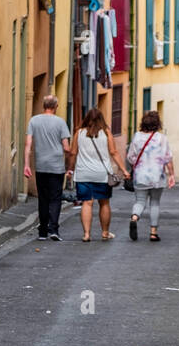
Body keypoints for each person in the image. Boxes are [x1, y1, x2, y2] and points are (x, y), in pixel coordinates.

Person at [68, 107, 129, 241]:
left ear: (87, 119)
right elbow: (114, 152)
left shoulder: (79, 133)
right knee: (104, 203)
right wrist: (124, 170)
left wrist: (70, 169)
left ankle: (86, 234)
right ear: (101, 119)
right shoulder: (106, 133)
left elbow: (73, 153)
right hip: (102, 174)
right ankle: (105, 232)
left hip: (83, 174)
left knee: (86, 203)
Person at [24, 95, 72, 241]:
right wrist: (69, 161)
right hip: (56, 166)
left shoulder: (34, 120)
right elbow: (66, 147)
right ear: (56, 106)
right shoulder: (60, 122)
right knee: (55, 198)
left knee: (43, 198)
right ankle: (54, 229)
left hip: (41, 165)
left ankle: (42, 231)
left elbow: (28, 145)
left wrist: (27, 165)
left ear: (44, 106)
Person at [126, 110, 176, 242]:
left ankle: (134, 217)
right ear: (157, 123)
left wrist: (136, 166)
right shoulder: (162, 138)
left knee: (140, 201)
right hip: (157, 177)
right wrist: (172, 175)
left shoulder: (136, 137)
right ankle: (153, 233)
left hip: (140, 176)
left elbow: (130, 157)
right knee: (155, 203)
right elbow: (168, 158)